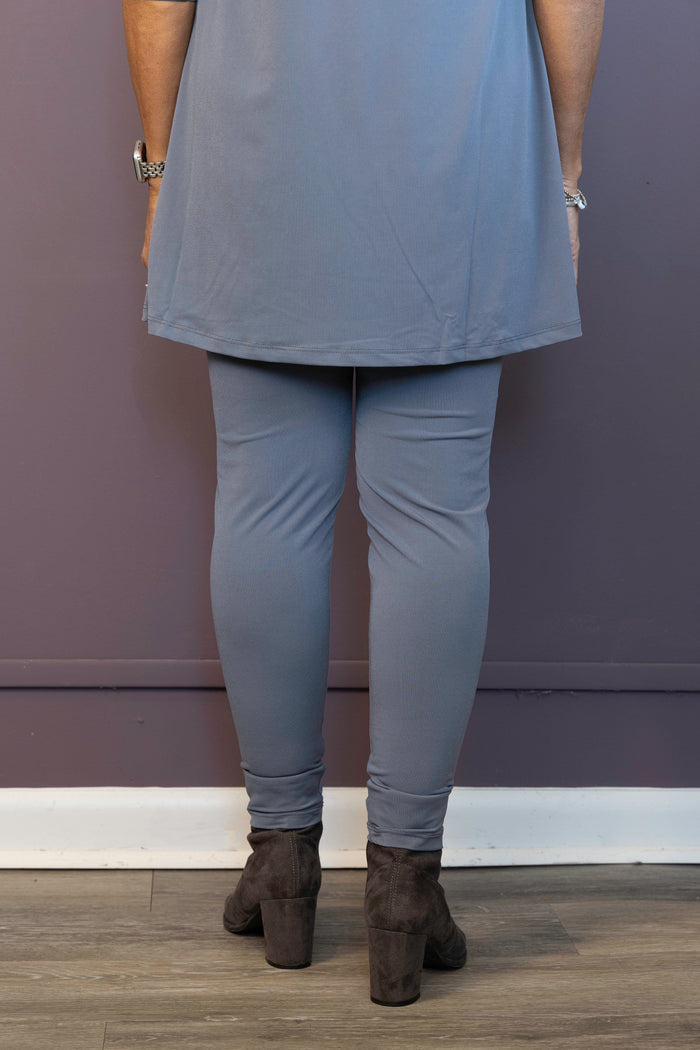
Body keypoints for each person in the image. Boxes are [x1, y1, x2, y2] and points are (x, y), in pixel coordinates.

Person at [122, 0, 605, 1007]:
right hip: (457, 143)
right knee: (435, 515)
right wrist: (561, 176)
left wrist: (161, 169)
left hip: (255, 146)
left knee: (264, 504)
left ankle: (283, 866)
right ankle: (404, 889)